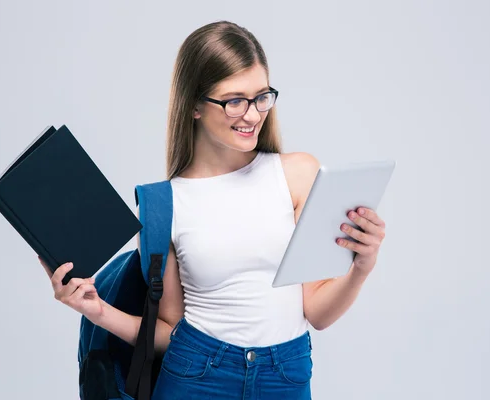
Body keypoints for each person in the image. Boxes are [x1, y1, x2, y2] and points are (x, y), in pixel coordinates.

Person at [40, 20, 387, 400]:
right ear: (194, 106)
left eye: (261, 97)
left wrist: (361, 266)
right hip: (196, 374)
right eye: (235, 100)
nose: (253, 115)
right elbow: (169, 331)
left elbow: (316, 313)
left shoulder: (298, 175)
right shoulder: (163, 205)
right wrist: (96, 310)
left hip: (285, 374)